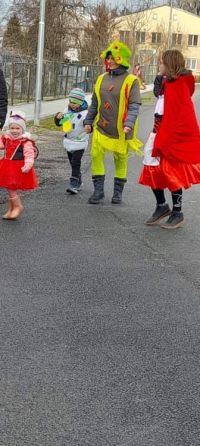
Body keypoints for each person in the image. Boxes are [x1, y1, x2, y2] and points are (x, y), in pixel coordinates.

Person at [139, 49, 200, 229]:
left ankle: (177, 212)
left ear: (170, 65)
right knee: (151, 167)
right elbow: (161, 106)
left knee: (171, 171)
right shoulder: (167, 83)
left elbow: (179, 117)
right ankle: (161, 206)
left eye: (161, 63)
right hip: (158, 131)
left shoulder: (178, 85)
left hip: (169, 136)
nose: (159, 66)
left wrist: (167, 139)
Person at [84, 40, 142, 205]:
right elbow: (95, 103)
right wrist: (88, 121)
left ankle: (118, 193)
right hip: (101, 127)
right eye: (107, 58)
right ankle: (98, 191)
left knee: (120, 158)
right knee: (95, 155)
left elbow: (134, 105)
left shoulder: (131, 81)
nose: (109, 61)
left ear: (120, 59)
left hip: (121, 129)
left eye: (112, 58)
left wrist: (129, 124)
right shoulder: (101, 78)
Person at [0, 110, 38, 220]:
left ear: (22, 129)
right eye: (12, 128)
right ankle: (11, 208)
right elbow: (1, 146)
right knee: (9, 187)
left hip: (17, 167)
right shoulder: (7, 138)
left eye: (17, 128)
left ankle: (18, 206)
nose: (14, 131)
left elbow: (29, 154)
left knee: (11, 188)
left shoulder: (25, 142)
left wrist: (28, 164)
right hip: (7, 166)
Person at [54, 88, 89, 194]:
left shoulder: (85, 113)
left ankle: (73, 184)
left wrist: (89, 126)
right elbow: (60, 123)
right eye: (70, 102)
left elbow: (89, 124)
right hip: (69, 141)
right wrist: (58, 118)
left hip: (80, 142)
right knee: (72, 162)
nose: (72, 104)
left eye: (75, 103)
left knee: (75, 162)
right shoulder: (67, 111)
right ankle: (78, 180)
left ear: (80, 102)